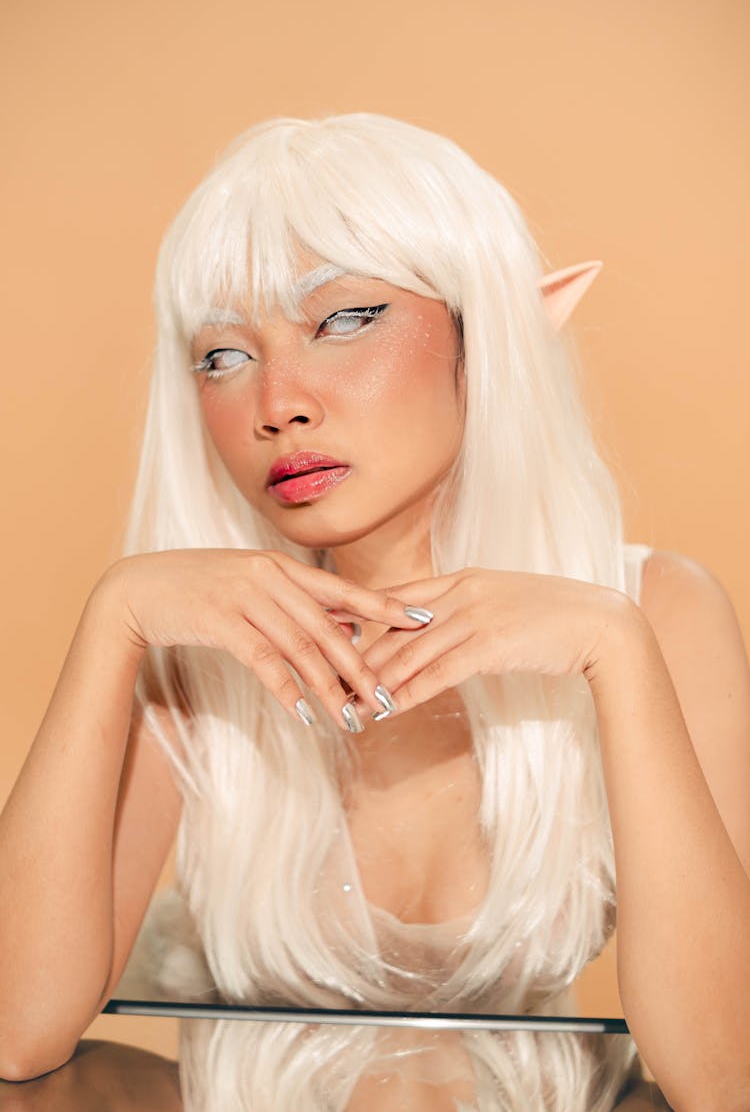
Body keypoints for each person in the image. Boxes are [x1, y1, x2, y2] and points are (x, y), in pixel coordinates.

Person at [0, 114, 748, 1109]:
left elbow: (724, 1077)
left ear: (486, 333)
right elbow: (14, 1033)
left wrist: (616, 647)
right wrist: (114, 618)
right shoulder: (193, 650)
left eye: (344, 319)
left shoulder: (659, 611)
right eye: (223, 355)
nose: (279, 402)